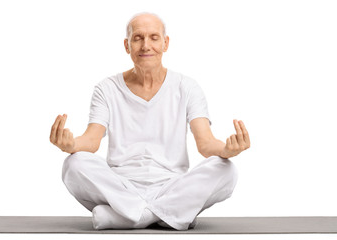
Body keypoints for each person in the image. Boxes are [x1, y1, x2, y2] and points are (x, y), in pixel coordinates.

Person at [49, 12, 250, 231]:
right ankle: (172, 215)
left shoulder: (187, 87)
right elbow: (91, 140)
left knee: (226, 170)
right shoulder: (106, 88)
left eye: (154, 37)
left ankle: (130, 217)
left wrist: (228, 149)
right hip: (121, 188)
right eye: (138, 38)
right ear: (127, 45)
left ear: (166, 43)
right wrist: (71, 146)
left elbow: (206, 144)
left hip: (172, 187)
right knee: (73, 164)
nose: (146, 45)